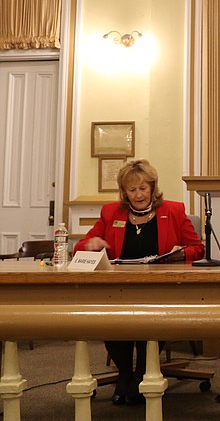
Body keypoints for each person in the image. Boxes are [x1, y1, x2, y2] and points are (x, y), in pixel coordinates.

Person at [74, 158, 204, 406]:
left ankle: (143, 372)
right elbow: (83, 245)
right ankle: (125, 373)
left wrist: (179, 254)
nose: (139, 194)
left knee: (152, 318)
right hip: (118, 288)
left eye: (143, 188)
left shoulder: (173, 211)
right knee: (109, 318)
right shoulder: (111, 212)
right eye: (132, 189)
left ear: (153, 188)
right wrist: (92, 246)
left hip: (159, 289)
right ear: (124, 191)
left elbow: (197, 248)